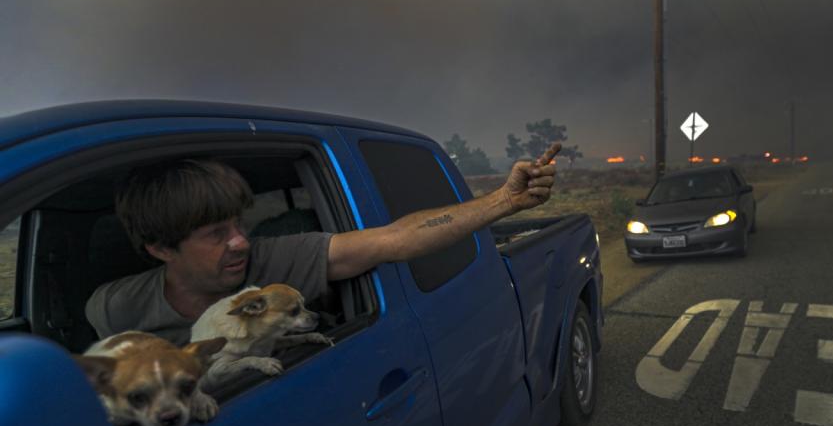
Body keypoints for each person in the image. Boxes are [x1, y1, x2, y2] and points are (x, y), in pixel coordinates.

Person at [85, 143, 560, 345]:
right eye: (215, 235)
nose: (240, 242)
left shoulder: (276, 261)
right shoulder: (114, 310)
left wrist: (503, 201)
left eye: (238, 224)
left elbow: (393, 240)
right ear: (161, 250)